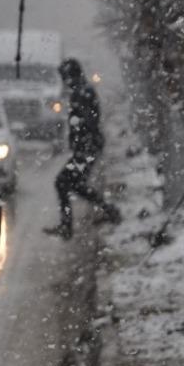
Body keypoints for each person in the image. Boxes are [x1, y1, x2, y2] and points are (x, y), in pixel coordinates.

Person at [43, 58, 121, 239]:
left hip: (87, 148)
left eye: (64, 76)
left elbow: (88, 121)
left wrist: (81, 141)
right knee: (73, 184)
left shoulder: (81, 93)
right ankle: (107, 210)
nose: (63, 81)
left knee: (63, 182)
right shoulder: (82, 91)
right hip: (88, 147)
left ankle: (68, 225)